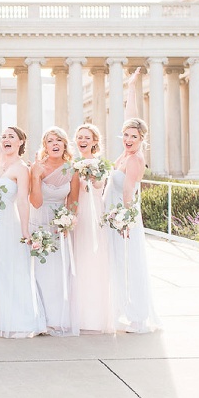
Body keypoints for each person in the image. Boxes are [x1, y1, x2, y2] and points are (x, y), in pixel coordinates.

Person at [0, 94, 46, 338]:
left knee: (13, 269)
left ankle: (20, 319)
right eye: (5, 136)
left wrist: (25, 231)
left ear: (20, 142)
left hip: (11, 225)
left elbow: (22, 200)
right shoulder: (1, 162)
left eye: (11, 136)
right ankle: (1, 317)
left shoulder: (21, 168)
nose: (5, 139)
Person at [106, 68, 161, 333]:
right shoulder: (125, 154)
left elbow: (128, 194)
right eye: (126, 135)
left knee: (129, 264)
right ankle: (123, 309)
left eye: (133, 137)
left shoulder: (136, 160)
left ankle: (138, 317)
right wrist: (131, 87)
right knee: (119, 264)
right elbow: (132, 118)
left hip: (123, 219)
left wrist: (124, 221)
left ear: (142, 140)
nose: (128, 139)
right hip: (116, 216)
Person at [29, 127, 80, 337]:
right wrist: (36, 177)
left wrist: (67, 222)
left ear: (65, 144)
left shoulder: (72, 169)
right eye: (50, 141)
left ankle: (57, 319)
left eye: (59, 140)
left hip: (60, 226)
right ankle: (40, 318)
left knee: (58, 272)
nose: (55, 144)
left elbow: (73, 200)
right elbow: (36, 202)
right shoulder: (37, 168)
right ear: (45, 146)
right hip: (40, 222)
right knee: (40, 271)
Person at [71, 123, 114, 333]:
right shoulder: (71, 162)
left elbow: (98, 187)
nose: (82, 140)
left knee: (92, 259)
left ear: (95, 141)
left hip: (93, 213)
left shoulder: (99, 164)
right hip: (76, 213)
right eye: (79, 137)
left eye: (87, 137)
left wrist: (91, 175)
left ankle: (94, 316)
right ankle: (76, 314)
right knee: (77, 260)